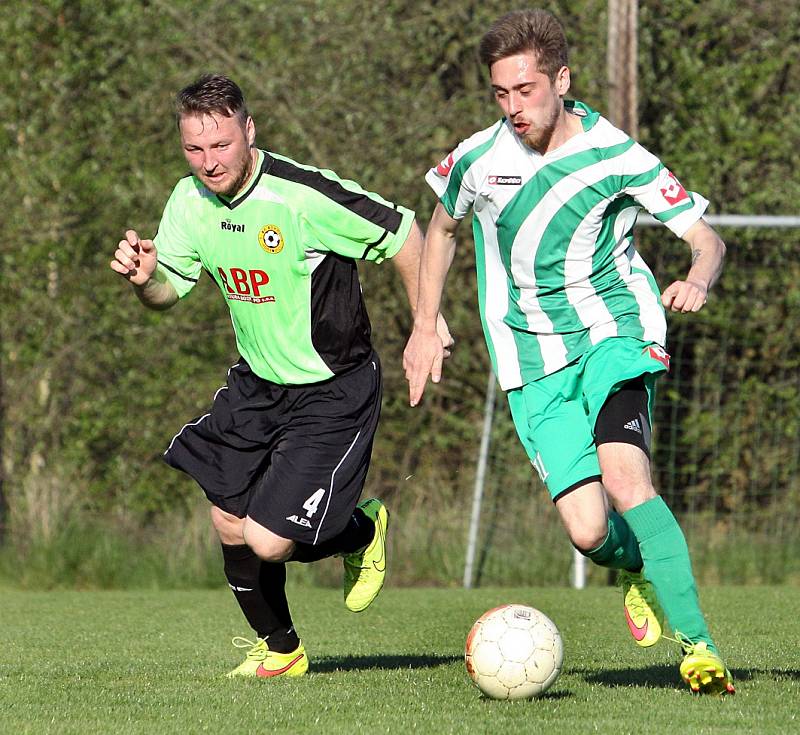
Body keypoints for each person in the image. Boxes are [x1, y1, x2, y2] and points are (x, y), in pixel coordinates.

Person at [404, 9, 733, 695]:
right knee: (587, 531)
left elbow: (707, 239)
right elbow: (440, 230)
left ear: (561, 78)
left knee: (625, 478)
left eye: (526, 90)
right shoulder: (476, 159)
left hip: (615, 332)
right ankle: (637, 566)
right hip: (531, 362)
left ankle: (699, 646)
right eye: (501, 94)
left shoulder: (616, 154)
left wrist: (697, 278)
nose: (513, 107)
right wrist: (424, 322)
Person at [111, 74, 450, 678]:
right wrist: (146, 283)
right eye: (194, 149)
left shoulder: (303, 196)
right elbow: (171, 290)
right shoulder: (188, 202)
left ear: (249, 130)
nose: (208, 163)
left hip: (333, 389)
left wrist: (425, 325)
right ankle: (282, 650)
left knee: (268, 540)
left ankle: (360, 530)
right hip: (257, 385)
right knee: (226, 519)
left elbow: (404, 234)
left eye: (220, 145)